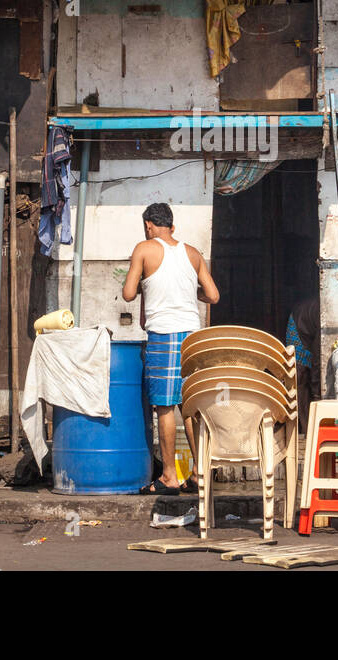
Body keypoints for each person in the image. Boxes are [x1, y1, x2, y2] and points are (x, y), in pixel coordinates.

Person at [121, 202, 219, 495]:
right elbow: (213, 295)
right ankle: (200, 474)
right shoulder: (192, 253)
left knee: (164, 407)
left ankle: (168, 476)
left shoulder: (143, 248)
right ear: (172, 226)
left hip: (164, 335)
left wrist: (143, 285)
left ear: (149, 225)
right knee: (187, 406)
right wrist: (190, 291)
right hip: (192, 337)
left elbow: (127, 293)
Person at [284, 297, 318, 432]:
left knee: (318, 379)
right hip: (298, 326)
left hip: (312, 331)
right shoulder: (321, 316)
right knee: (299, 378)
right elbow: (317, 359)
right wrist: (317, 396)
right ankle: (304, 429)